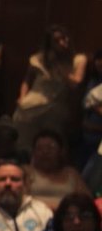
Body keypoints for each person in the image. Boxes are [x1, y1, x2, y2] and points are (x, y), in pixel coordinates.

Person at [13, 24, 88, 152]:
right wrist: (22, 97)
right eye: (57, 40)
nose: (62, 42)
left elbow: (75, 83)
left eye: (64, 38)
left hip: (55, 108)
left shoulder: (78, 59)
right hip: (30, 105)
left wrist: (58, 65)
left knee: (52, 145)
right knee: (23, 144)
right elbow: (27, 80)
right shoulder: (38, 58)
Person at [24, 129, 90, 212]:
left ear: (61, 151)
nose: (45, 152)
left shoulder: (71, 173)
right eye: (40, 148)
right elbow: (21, 200)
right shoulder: (26, 171)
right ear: (33, 152)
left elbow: (87, 201)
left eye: (51, 147)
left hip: (68, 218)